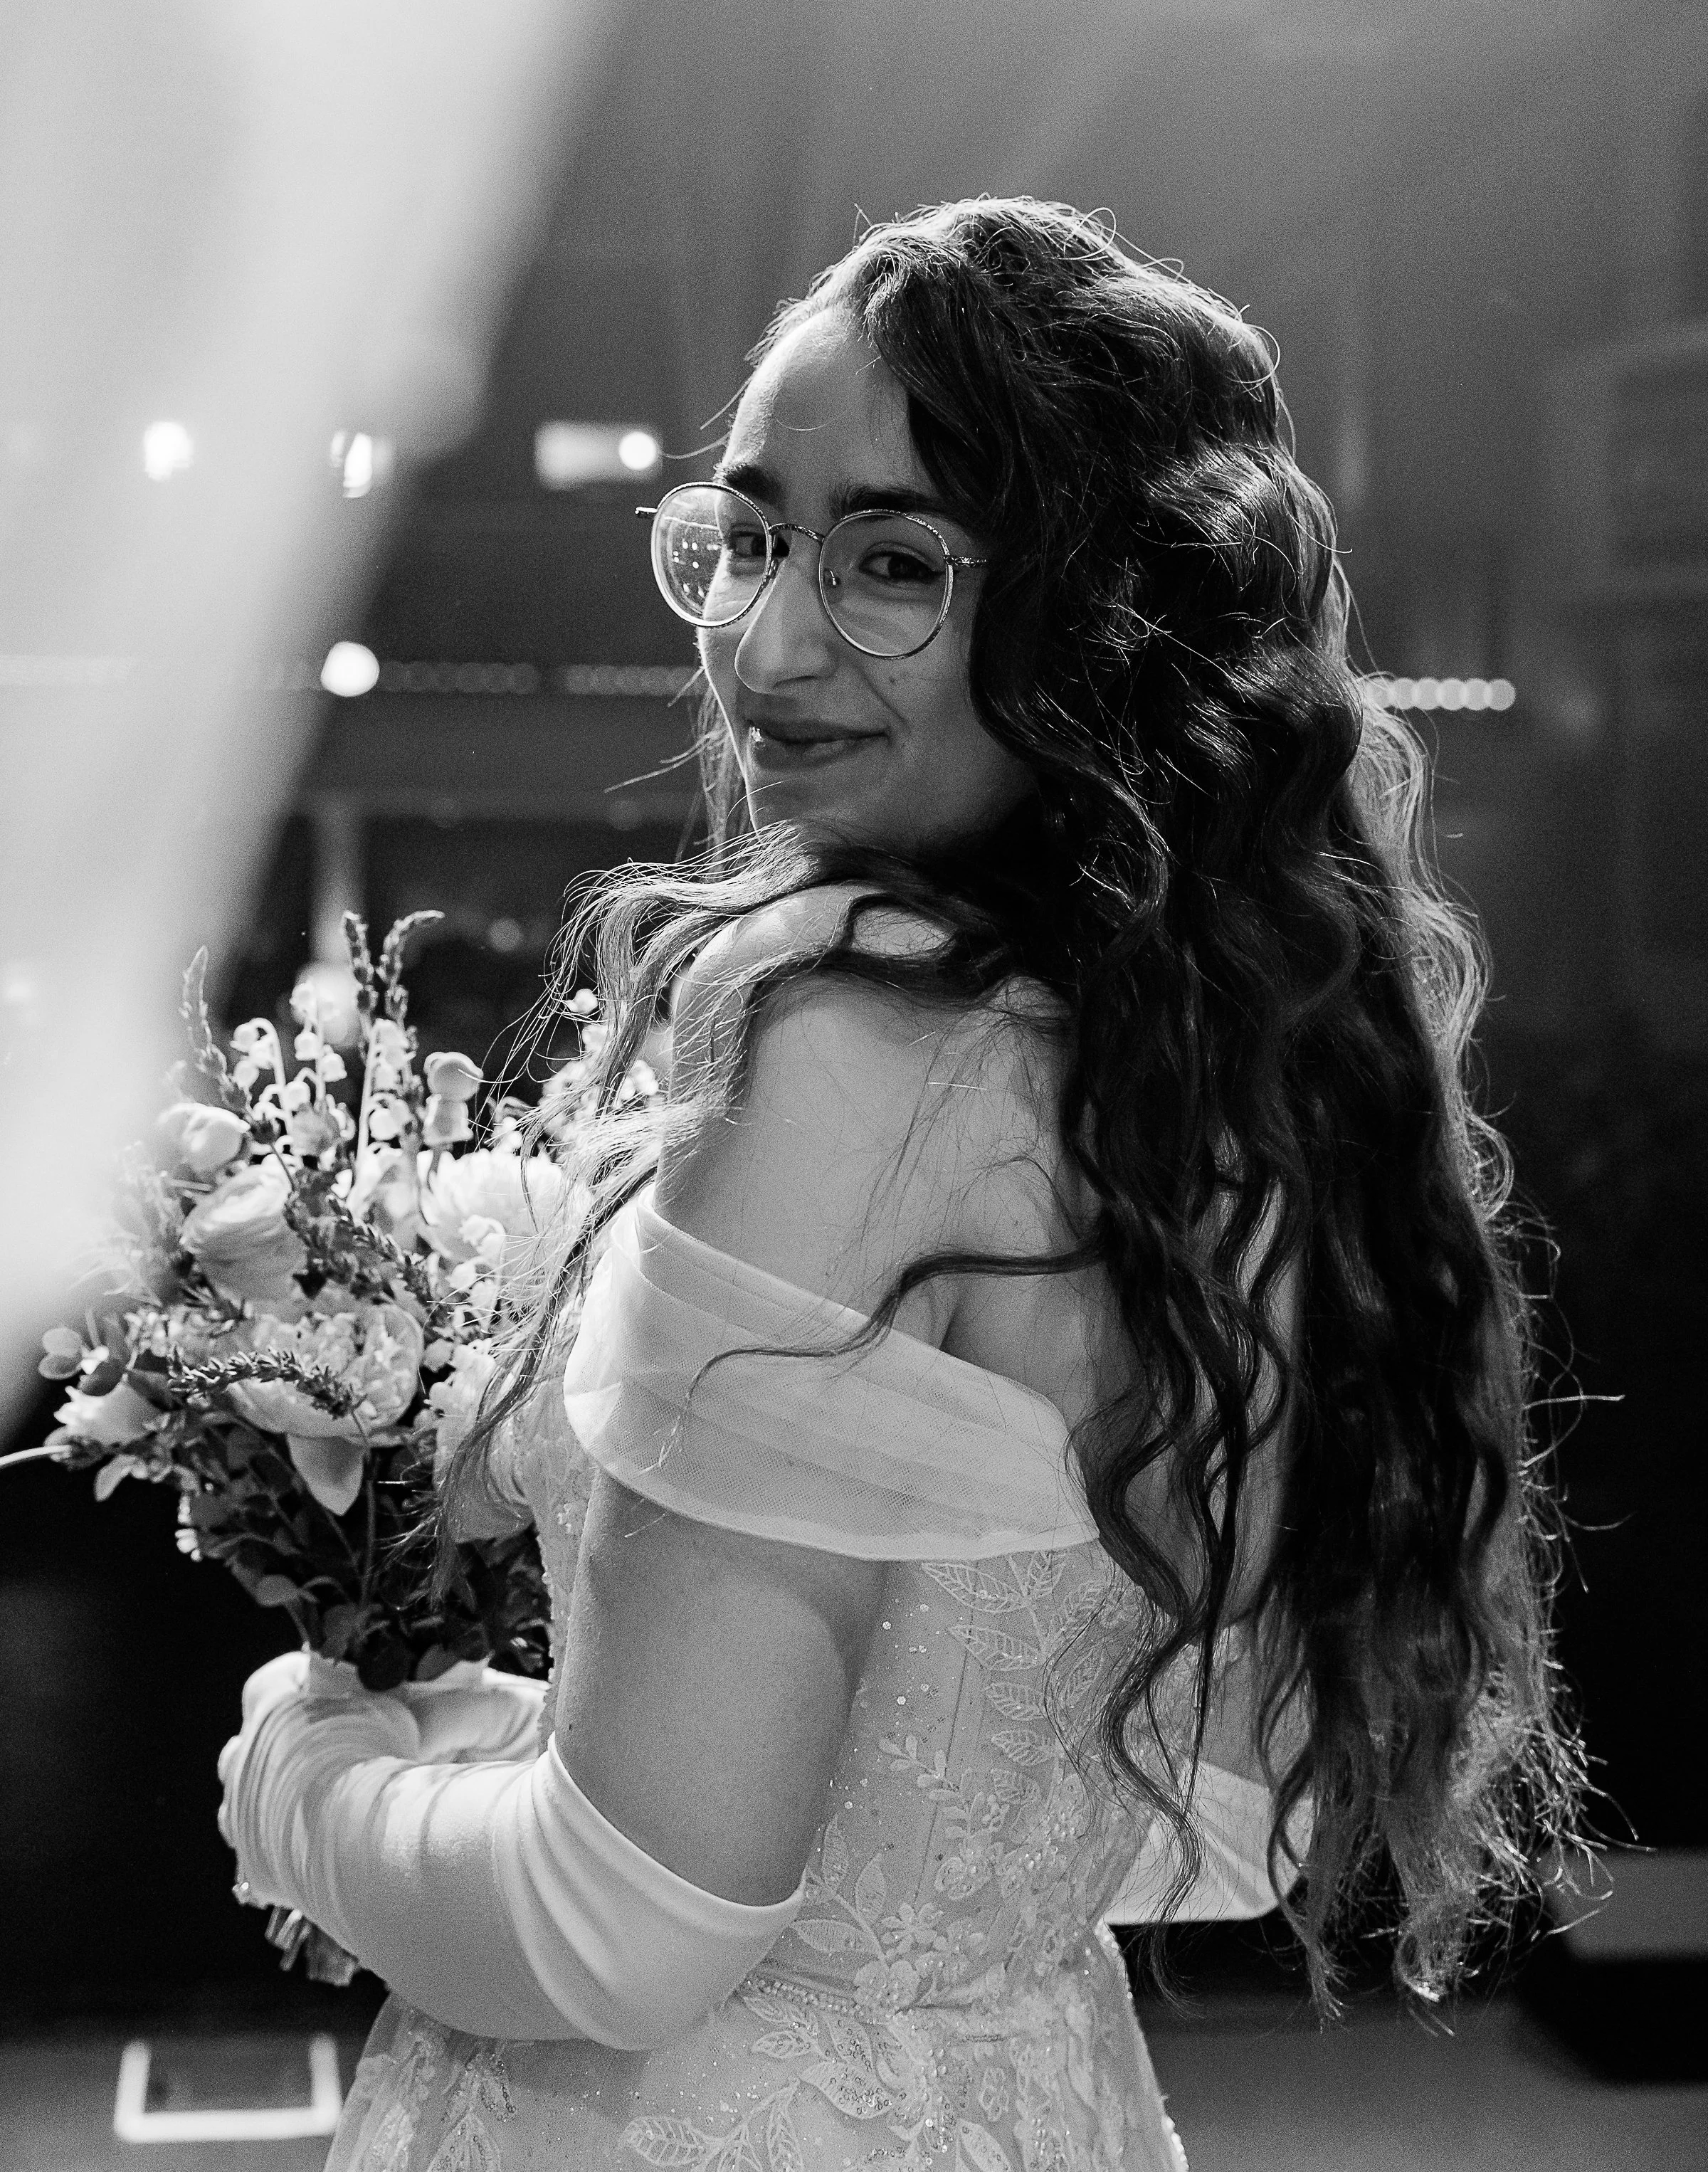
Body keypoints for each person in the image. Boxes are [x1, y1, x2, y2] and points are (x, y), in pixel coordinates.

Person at [219, 198, 1580, 2171]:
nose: (768, 648)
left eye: (894, 565)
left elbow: (620, 1930)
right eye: (751, 538)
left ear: (1112, 614)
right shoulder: (1216, 1078)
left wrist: (304, 1762)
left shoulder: (845, 1044)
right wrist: (502, 1738)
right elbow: (1189, 1822)